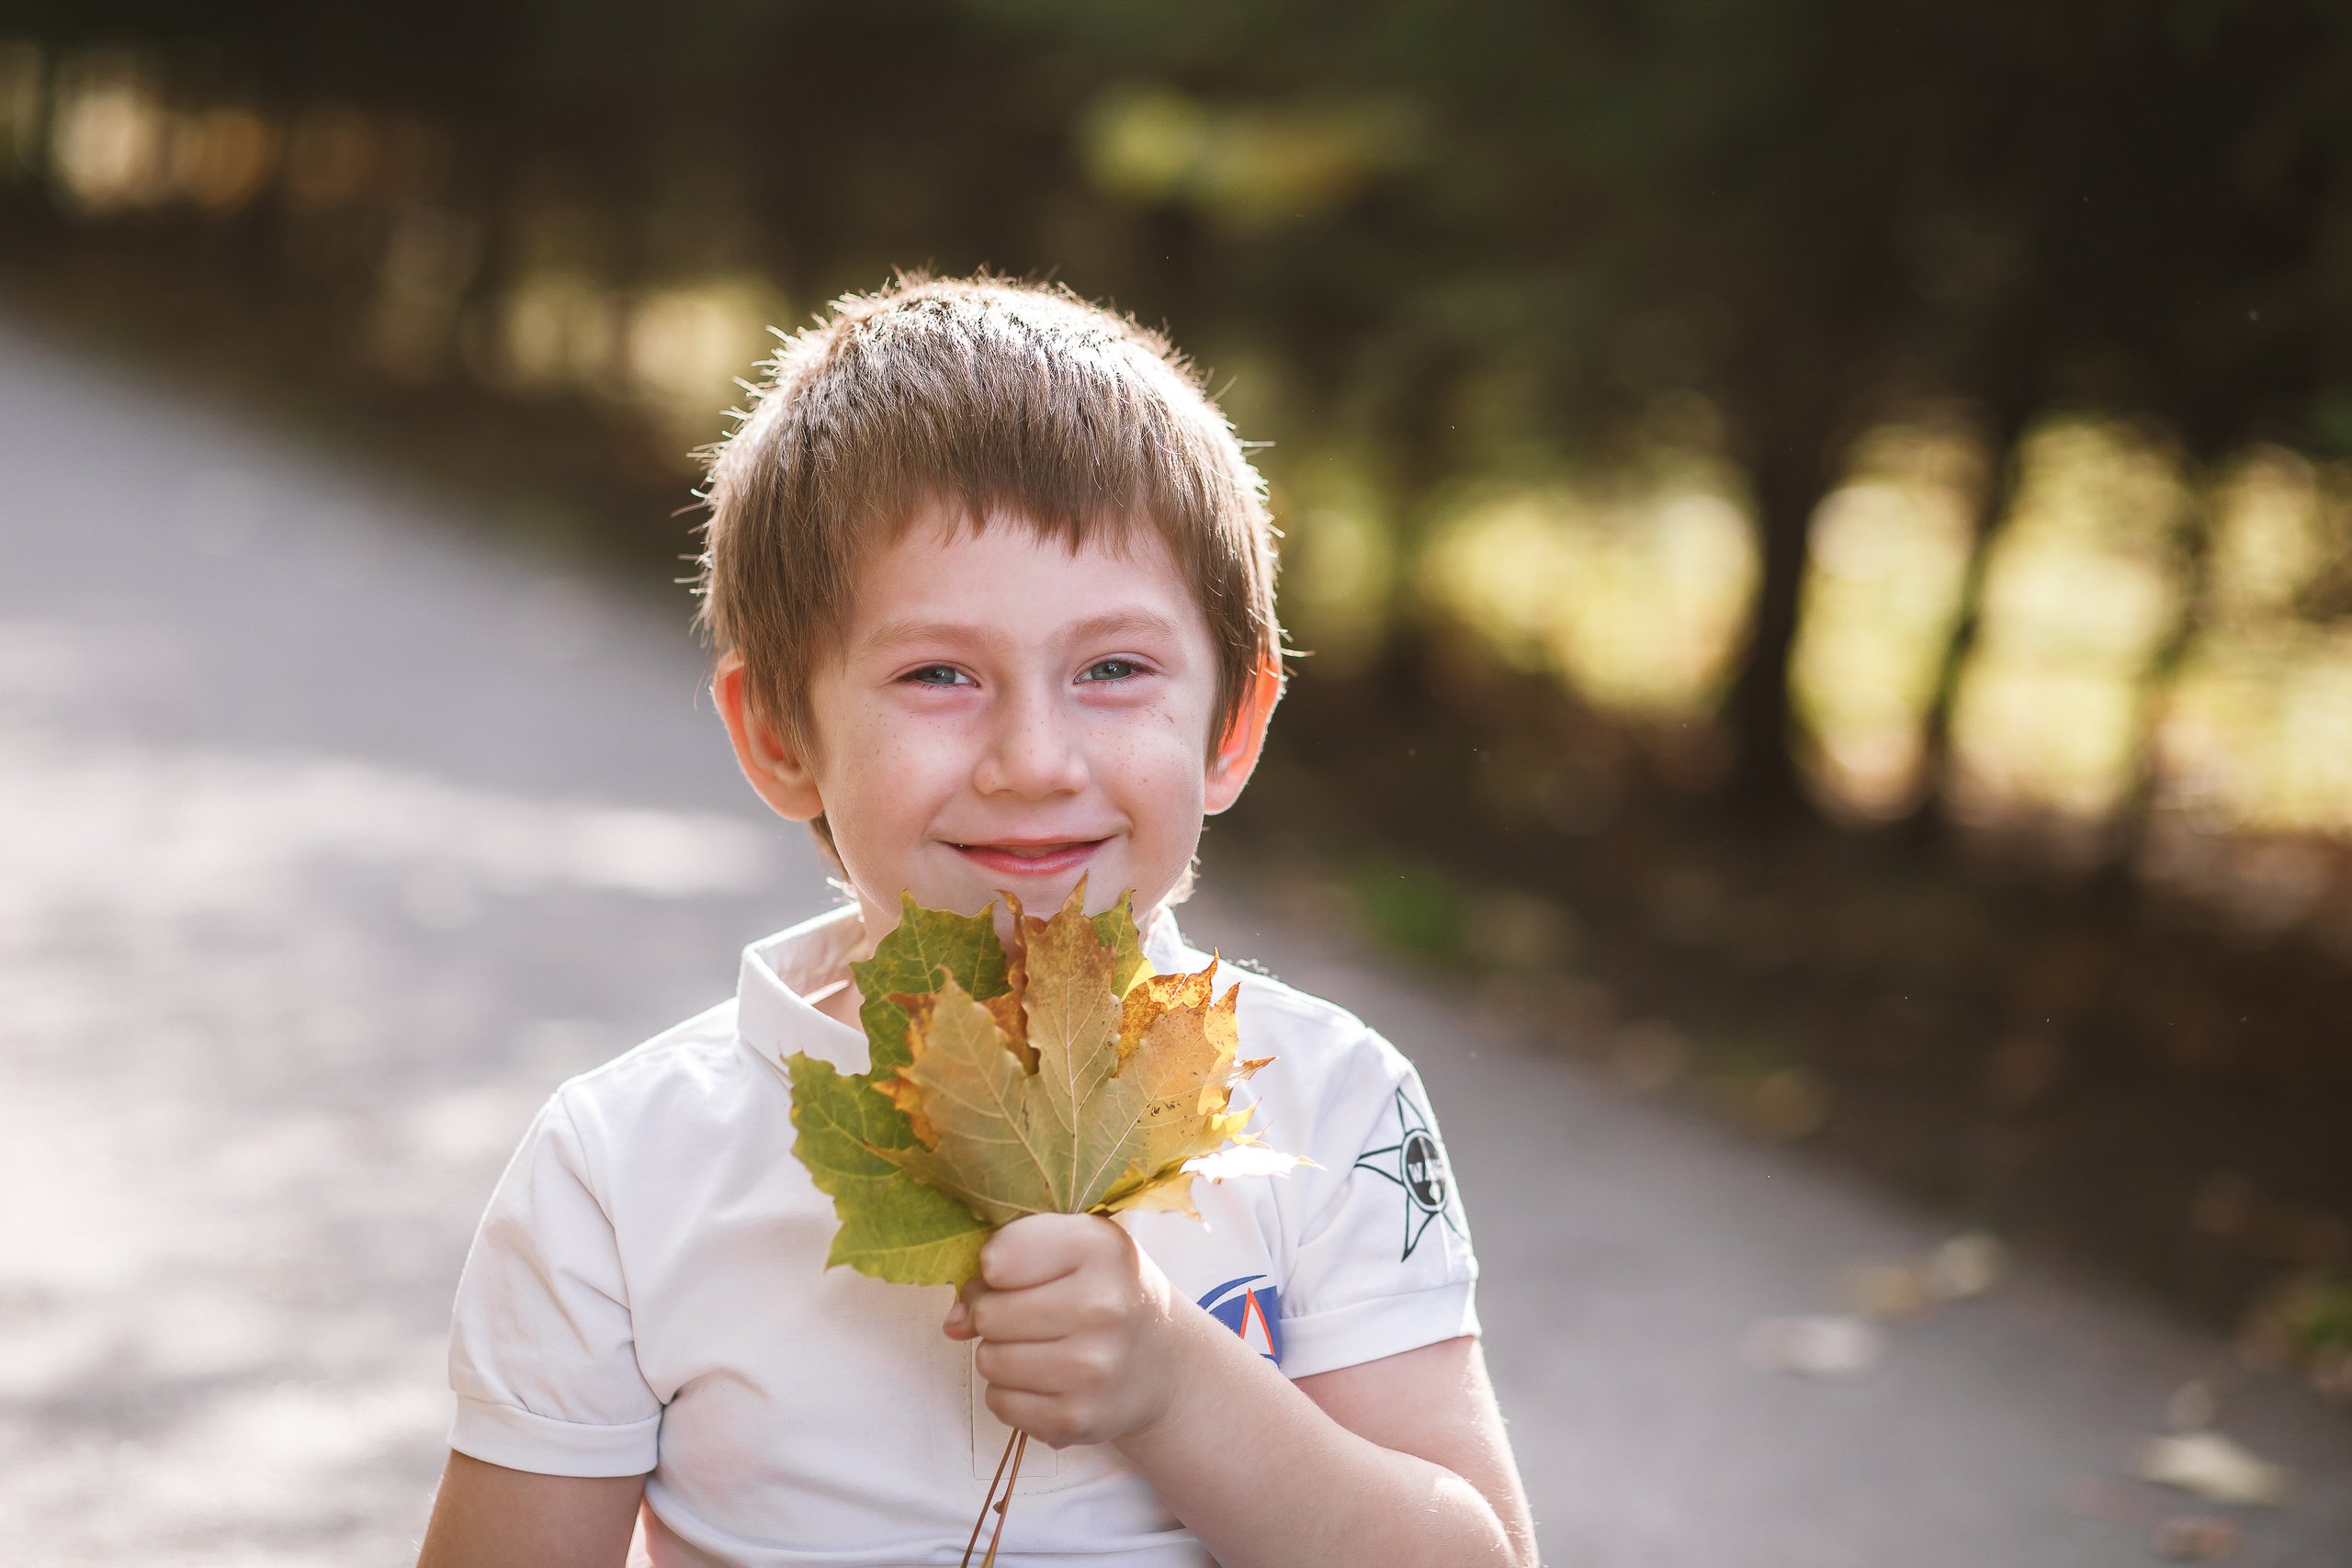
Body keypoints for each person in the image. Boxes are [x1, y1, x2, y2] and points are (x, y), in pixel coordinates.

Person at [415, 276, 1538, 1568]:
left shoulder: (1324, 1104)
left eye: (1113, 669)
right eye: (939, 674)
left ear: (1231, 729)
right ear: (779, 735)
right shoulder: (621, 1167)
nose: (1034, 761)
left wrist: (1177, 1382)